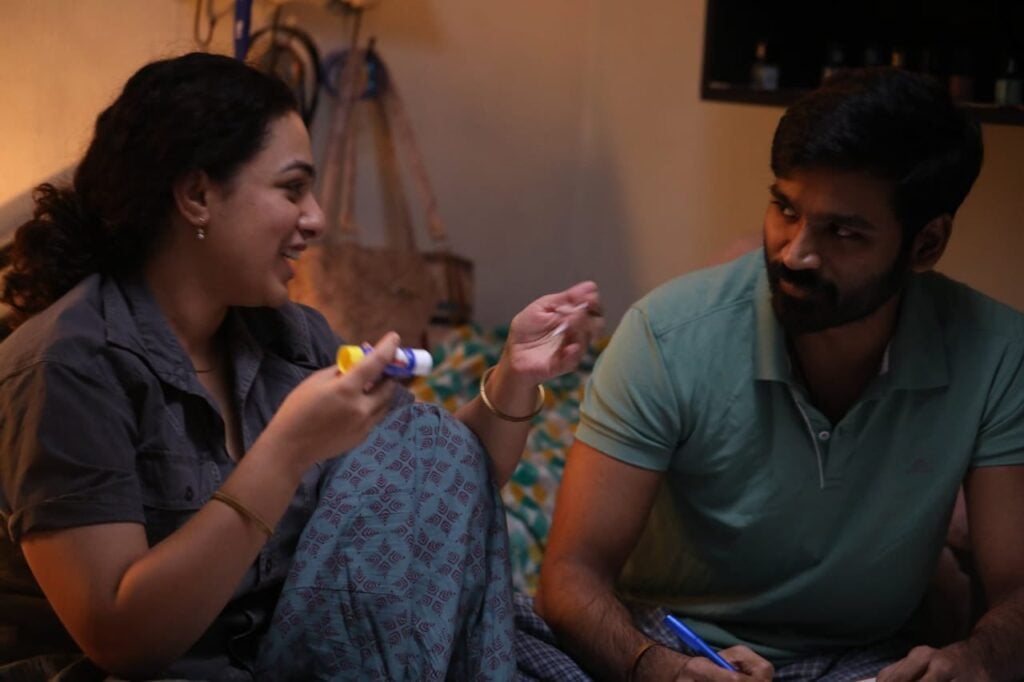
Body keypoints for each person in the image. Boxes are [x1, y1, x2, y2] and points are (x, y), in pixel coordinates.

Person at [0, 52, 602, 681]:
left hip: (286, 662)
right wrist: (284, 454)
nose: (316, 219)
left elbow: (439, 486)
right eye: (292, 189)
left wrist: (516, 374)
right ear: (197, 195)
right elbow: (122, 642)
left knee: (428, 439)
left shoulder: (288, 336)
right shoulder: (68, 365)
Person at [526, 68, 1024, 682]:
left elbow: (1016, 589)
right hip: (663, 643)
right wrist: (659, 668)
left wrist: (973, 660)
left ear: (926, 244)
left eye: (843, 231)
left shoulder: (996, 354)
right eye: (785, 209)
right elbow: (570, 575)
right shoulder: (667, 334)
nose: (796, 252)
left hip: (861, 661)